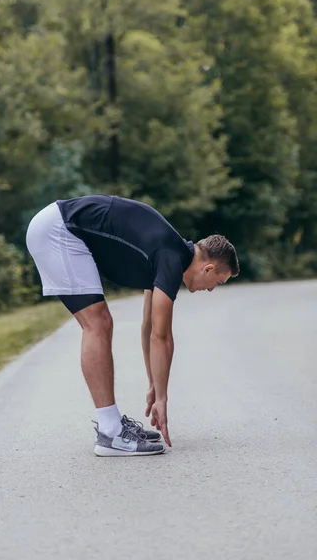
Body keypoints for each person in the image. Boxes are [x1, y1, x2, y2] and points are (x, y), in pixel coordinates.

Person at [26, 194, 239, 457]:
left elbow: (148, 327)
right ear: (208, 269)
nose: (212, 290)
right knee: (98, 323)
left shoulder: (172, 254)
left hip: (58, 226)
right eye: (218, 283)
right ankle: (110, 432)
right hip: (59, 230)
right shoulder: (170, 257)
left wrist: (153, 384)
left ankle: (112, 426)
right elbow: (161, 337)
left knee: (100, 322)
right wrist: (162, 399)